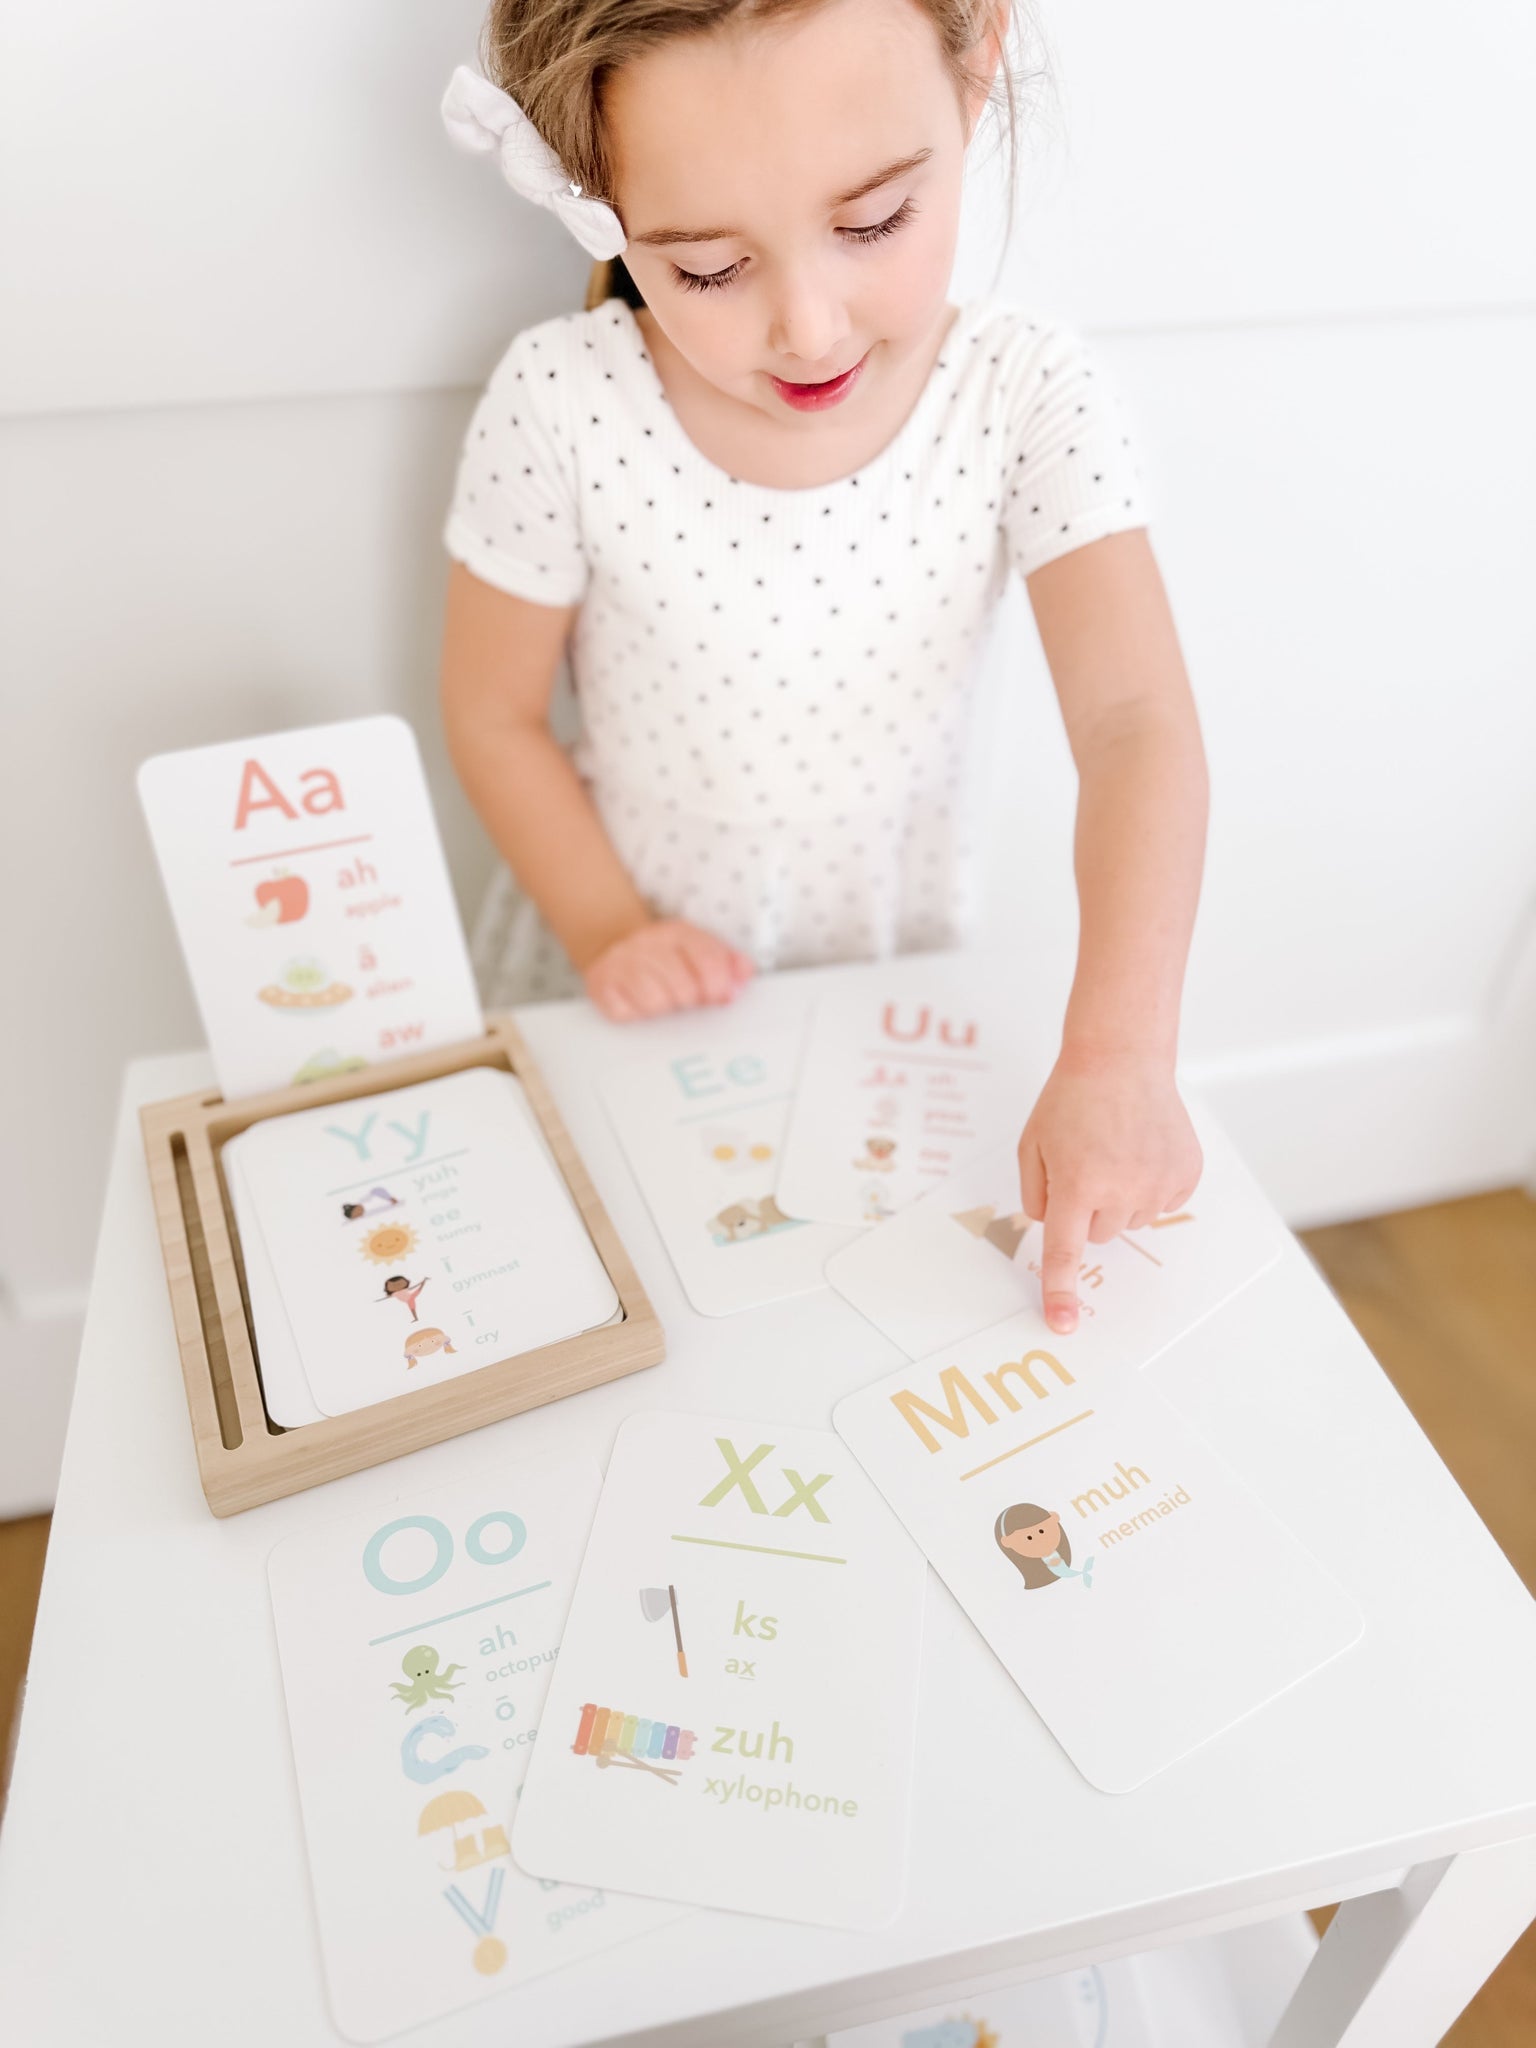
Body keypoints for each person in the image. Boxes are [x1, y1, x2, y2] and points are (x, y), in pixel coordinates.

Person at [437, 0, 1205, 1334]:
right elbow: (491, 713)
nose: (808, 326)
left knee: (865, 1327)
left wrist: (1121, 1053)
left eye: (874, 223)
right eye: (708, 270)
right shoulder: (563, 399)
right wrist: (611, 930)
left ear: (977, 70)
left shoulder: (1025, 395)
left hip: (888, 982)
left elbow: (1136, 722)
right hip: (613, 976)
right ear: (598, 202)